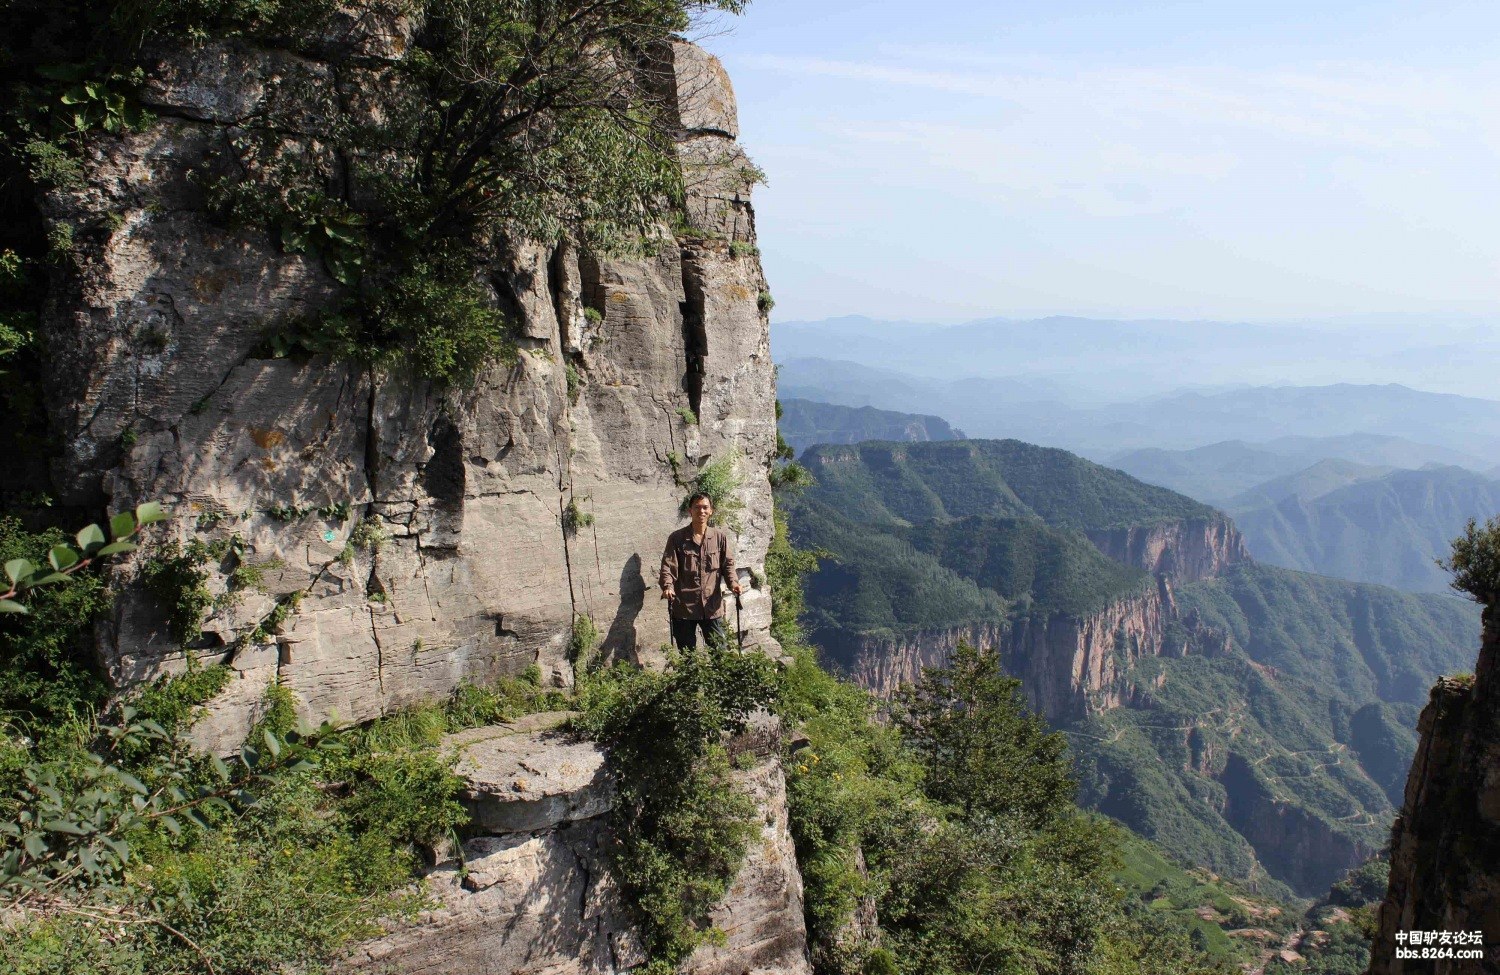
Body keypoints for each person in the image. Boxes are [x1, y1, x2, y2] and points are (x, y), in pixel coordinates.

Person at [660, 492, 742, 649]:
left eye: (705, 507)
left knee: (720, 653)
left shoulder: (719, 538)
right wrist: (667, 587)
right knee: (687, 656)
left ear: (711, 511)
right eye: (697, 507)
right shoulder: (677, 538)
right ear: (690, 510)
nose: (701, 511)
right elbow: (668, 566)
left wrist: (734, 583)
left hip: (712, 607)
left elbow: (728, 565)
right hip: (684, 607)